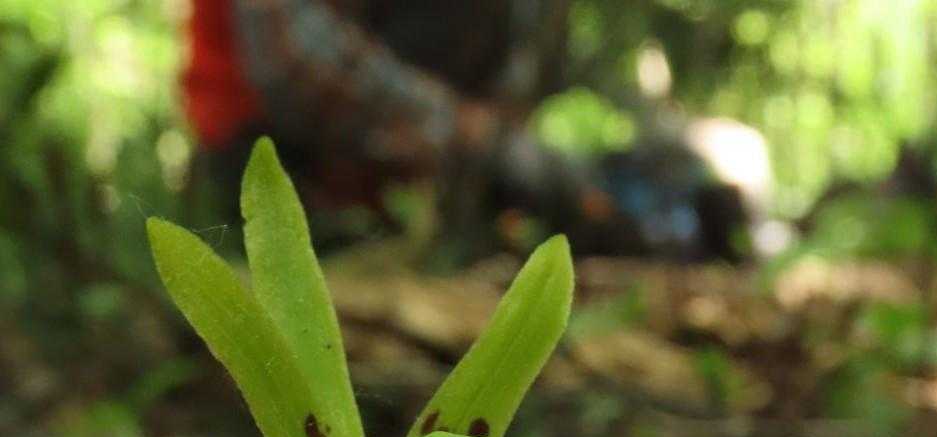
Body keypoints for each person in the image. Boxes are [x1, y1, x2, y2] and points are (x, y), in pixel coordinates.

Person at [181, 0, 765, 259]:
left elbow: (535, 71)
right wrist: (475, 136)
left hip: (420, 193)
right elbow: (292, 60)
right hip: (270, 159)